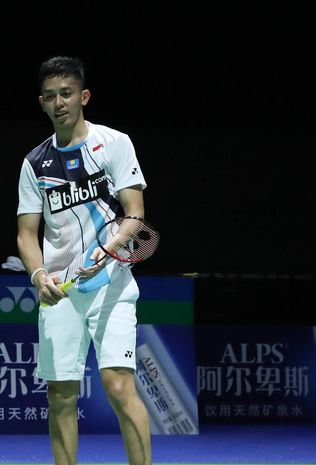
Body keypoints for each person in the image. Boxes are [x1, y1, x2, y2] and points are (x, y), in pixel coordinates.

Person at [16, 56, 152, 465]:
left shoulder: (113, 143)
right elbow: (26, 233)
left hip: (110, 283)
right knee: (60, 394)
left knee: (117, 385)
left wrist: (109, 251)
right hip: (60, 291)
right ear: (41, 102)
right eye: (51, 96)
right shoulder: (34, 164)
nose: (60, 103)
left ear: (83, 97)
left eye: (68, 94)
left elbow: (135, 215)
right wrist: (39, 274)